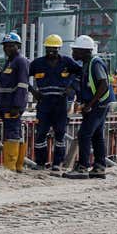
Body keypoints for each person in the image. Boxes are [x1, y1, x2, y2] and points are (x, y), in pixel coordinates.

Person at [28, 34, 79, 170]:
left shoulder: (67, 62)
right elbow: (22, 76)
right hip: (44, 103)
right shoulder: (37, 63)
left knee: (60, 134)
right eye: (49, 49)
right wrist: (33, 91)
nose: (51, 51)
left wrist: (71, 86)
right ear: (46, 48)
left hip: (60, 103)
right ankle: (40, 163)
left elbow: (80, 73)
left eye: (54, 49)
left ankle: (57, 163)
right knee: (41, 134)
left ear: (59, 49)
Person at [68, 34, 112, 179]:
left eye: (76, 50)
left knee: (84, 134)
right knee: (97, 135)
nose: (73, 53)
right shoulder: (87, 64)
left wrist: (90, 104)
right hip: (99, 105)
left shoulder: (95, 63)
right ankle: (99, 167)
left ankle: (83, 167)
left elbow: (103, 84)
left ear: (85, 51)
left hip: (98, 106)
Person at [0, 33, 31, 172]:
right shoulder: (9, 62)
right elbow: (3, 87)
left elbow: (22, 85)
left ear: (19, 46)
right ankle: (17, 166)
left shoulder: (20, 61)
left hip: (12, 106)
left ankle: (11, 166)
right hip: (5, 105)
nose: (8, 48)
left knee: (13, 134)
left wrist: (17, 105)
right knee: (13, 133)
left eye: (11, 46)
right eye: (6, 46)